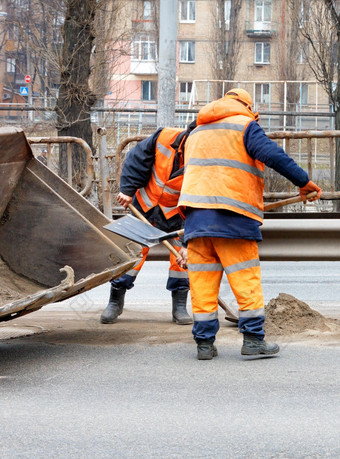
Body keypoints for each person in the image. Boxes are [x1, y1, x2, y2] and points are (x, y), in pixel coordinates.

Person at [178, 88, 322, 360]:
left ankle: (204, 345)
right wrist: (303, 182)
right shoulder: (245, 126)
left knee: (202, 285)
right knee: (245, 281)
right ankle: (254, 340)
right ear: (245, 105)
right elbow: (274, 156)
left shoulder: (195, 133)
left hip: (196, 222)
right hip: (233, 220)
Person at [100, 121, 197, 326]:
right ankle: (115, 300)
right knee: (132, 251)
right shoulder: (164, 137)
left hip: (178, 214)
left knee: (181, 258)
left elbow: (201, 199)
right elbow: (136, 160)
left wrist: (190, 241)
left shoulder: (206, 159)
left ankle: (179, 306)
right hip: (145, 205)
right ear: (187, 137)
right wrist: (127, 190)